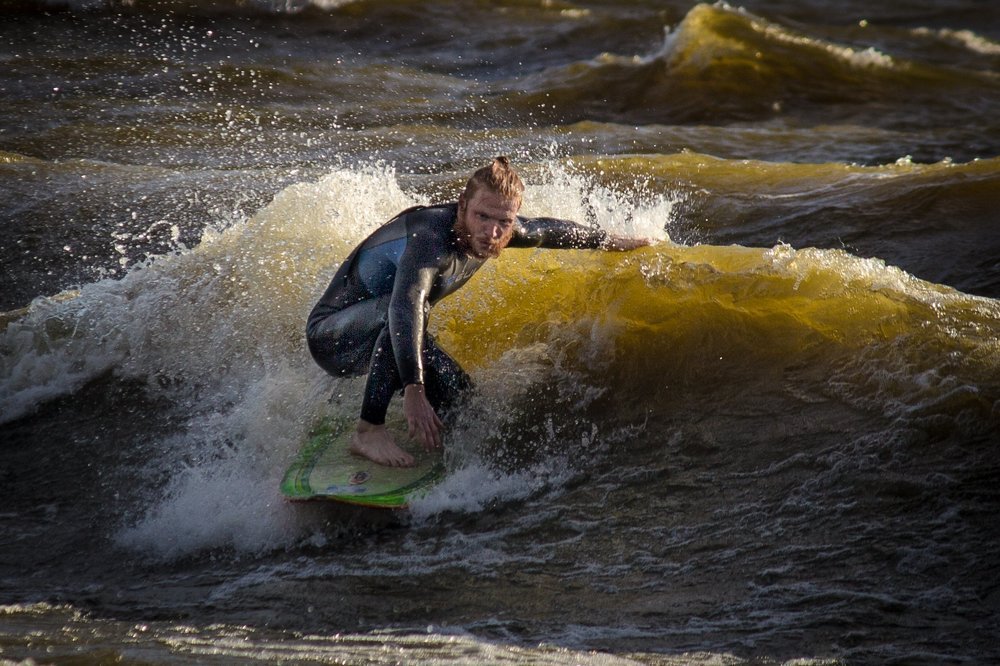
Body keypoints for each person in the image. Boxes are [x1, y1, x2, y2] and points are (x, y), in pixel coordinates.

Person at [306, 157, 650, 467]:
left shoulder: (500, 232)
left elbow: (548, 230)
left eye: (504, 221)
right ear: (462, 207)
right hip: (333, 337)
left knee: (466, 408)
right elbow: (404, 307)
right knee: (408, 318)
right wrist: (414, 389)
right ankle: (368, 430)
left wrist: (609, 240)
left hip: (383, 336)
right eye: (481, 216)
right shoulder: (430, 240)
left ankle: (434, 444)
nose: (492, 232)